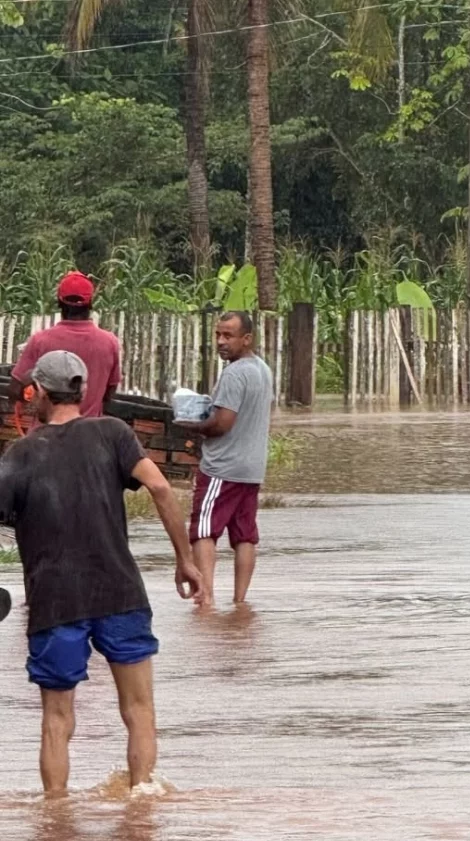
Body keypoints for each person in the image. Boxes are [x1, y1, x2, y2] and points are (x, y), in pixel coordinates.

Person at [0, 350, 202, 798]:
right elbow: (161, 486)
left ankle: (55, 819)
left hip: (55, 602)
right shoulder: (113, 433)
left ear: (39, 394)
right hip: (120, 593)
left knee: (56, 720)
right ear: (83, 390)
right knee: (139, 709)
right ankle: (142, 808)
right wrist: (185, 559)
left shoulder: (21, 454)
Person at [182, 311, 273, 609]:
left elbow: (222, 423)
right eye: (218, 335)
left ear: (247, 338)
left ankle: (205, 598)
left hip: (222, 467)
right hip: (251, 468)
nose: (221, 342)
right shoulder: (262, 369)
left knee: (203, 529)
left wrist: (192, 425)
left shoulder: (235, 373)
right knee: (244, 534)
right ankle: (240, 603)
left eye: (228, 336)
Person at [9, 271, 122, 419]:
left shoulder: (40, 341)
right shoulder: (109, 343)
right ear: (90, 303)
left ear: (59, 302)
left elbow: (15, 389)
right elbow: (108, 394)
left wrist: (37, 400)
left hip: (44, 437)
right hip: (89, 437)